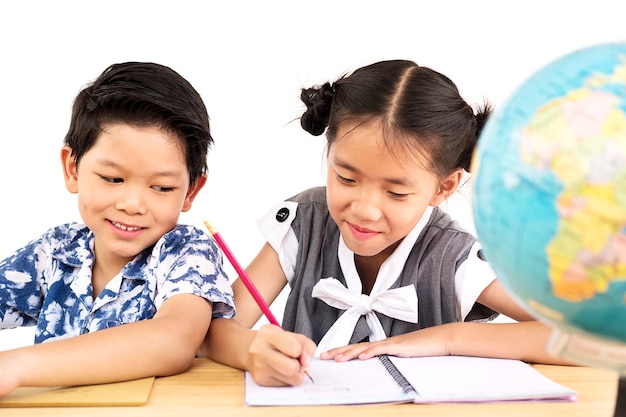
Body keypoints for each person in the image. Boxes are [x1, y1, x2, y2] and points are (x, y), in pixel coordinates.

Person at [200, 59, 570, 387]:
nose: (364, 209)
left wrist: (448, 338)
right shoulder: (304, 223)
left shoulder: (452, 257)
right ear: (329, 151)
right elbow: (212, 331)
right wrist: (251, 350)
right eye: (346, 178)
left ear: (444, 186)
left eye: (396, 193)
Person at [0, 62, 235, 396]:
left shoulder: (185, 251)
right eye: (112, 179)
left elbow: (175, 340)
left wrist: (18, 366)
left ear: (191, 191)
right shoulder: (55, 250)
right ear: (72, 168)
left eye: (162, 187)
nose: (133, 204)